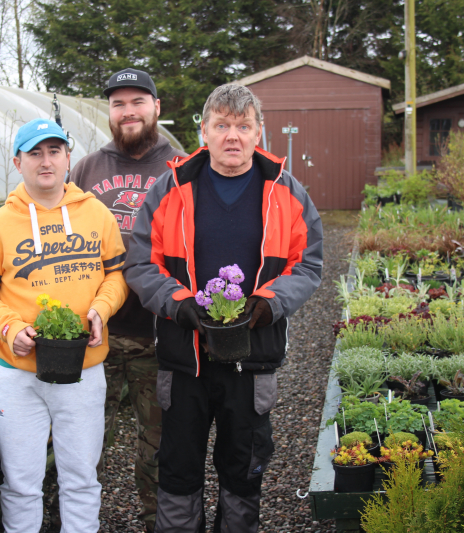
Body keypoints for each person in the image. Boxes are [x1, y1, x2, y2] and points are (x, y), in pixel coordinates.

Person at [124, 84, 323, 532]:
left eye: (243, 126)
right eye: (222, 126)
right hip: (184, 358)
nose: (232, 136)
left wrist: (269, 303)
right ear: (204, 131)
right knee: (177, 468)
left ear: (259, 133)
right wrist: (180, 305)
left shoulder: (286, 193)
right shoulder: (169, 190)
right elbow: (140, 263)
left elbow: (308, 264)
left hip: (251, 359)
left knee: (243, 468)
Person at [0, 118, 128, 533]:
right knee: (20, 483)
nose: (45, 161)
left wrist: (101, 310)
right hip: (18, 376)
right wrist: (7, 326)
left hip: (83, 368)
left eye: (54, 151)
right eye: (35, 153)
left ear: (68, 157)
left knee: (81, 478)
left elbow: (117, 274)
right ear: (17, 162)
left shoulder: (96, 214)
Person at [67, 67, 186, 533]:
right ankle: (80, 522)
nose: (128, 111)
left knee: (159, 444)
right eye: (119, 103)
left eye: (138, 101)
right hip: (95, 335)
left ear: (157, 107)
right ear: (109, 112)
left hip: (158, 335)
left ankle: (156, 521)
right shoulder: (86, 169)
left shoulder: (181, 168)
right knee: (83, 443)